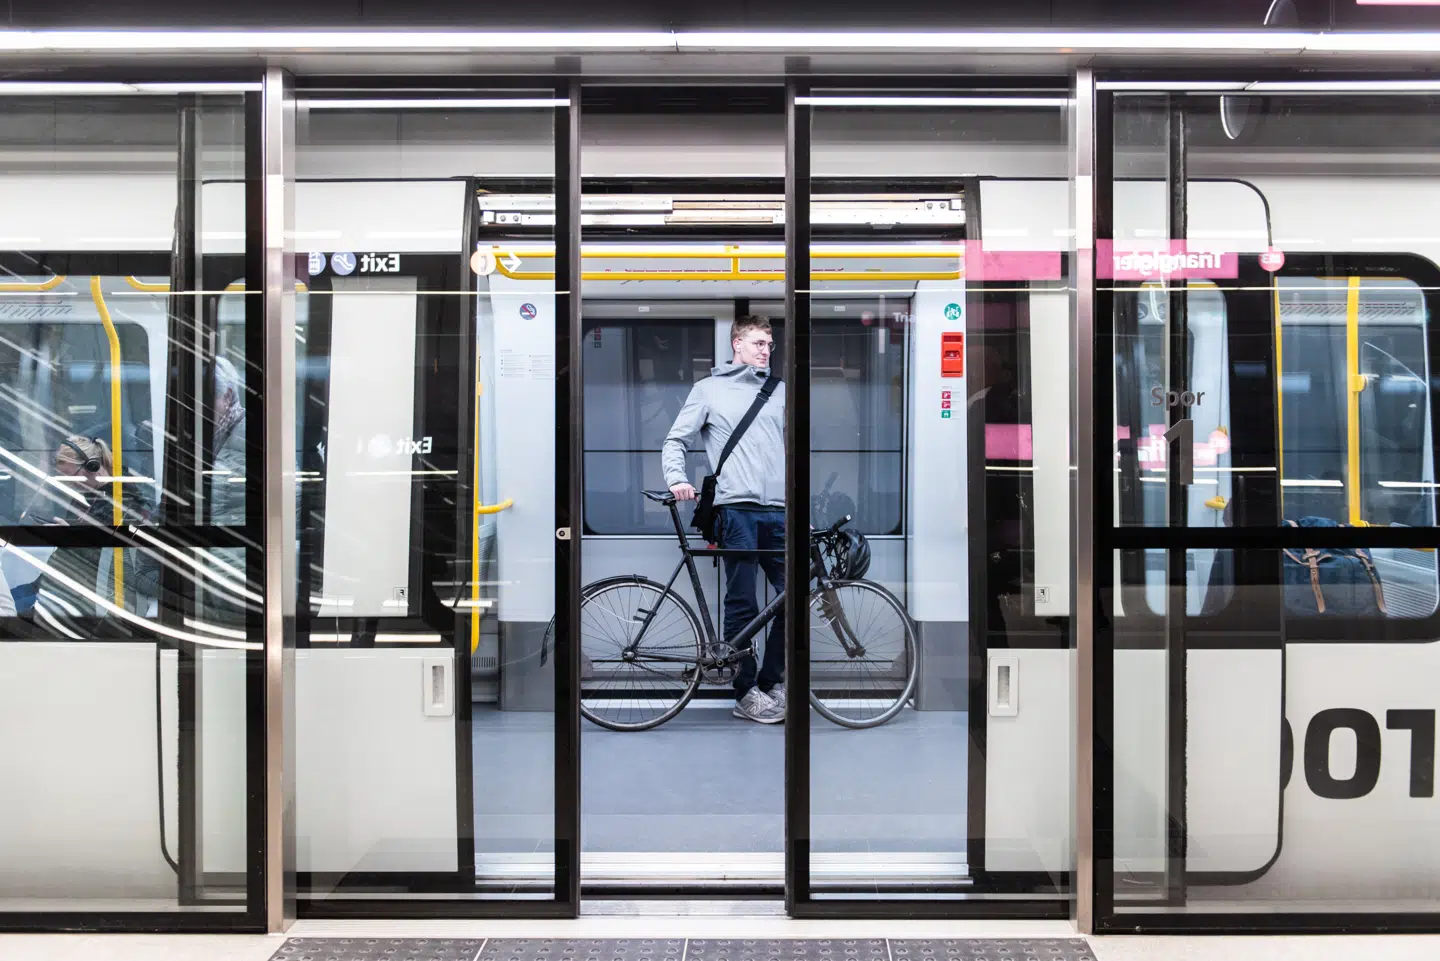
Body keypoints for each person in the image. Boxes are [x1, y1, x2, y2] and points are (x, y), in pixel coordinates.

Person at [662, 315, 787, 724]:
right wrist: (678, 480)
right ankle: (746, 692)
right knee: (744, 603)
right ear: (737, 344)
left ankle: (771, 682)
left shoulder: (781, 392)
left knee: (794, 598)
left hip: (780, 511)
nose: (765, 350)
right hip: (736, 509)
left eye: (769, 343)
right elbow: (676, 440)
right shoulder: (710, 390)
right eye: (757, 342)